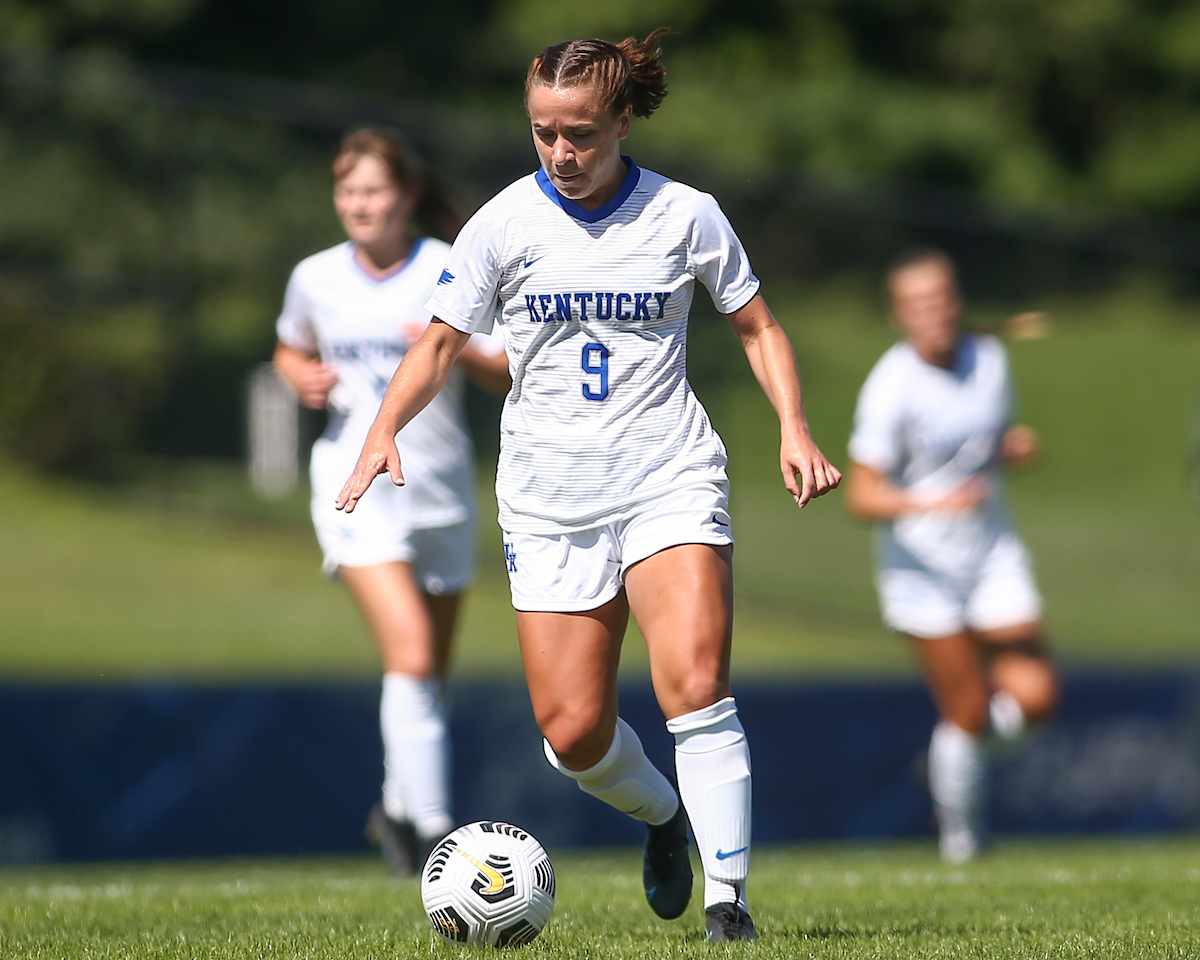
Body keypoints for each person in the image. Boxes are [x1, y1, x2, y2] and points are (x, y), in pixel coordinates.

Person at [335, 31, 840, 942]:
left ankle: (729, 905)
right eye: (543, 134)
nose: (562, 154)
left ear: (623, 120)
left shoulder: (686, 215)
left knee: (694, 678)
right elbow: (441, 344)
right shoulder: (501, 224)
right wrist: (381, 429)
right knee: (571, 734)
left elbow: (758, 327)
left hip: (669, 475)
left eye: (580, 134)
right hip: (548, 498)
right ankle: (665, 818)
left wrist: (792, 427)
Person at [273, 127, 510, 877]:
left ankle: (398, 807)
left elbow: (502, 369)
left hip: (438, 489)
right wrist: (295, 375)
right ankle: (441, 837)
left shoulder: (447, 267)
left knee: (427, 672)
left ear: (406, 196)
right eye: (347, 193)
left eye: (373, 191)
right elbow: (290, 343)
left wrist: (454, 348)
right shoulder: (315, 276)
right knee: (407, 651)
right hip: (354, 485)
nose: (359, 205)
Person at [844, 248, 1059, 863]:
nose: (932, 312)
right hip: (922, 571)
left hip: (992, 554)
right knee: (966, 708)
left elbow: (986, 446)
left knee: (1037, 697)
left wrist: (1011, 449)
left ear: (956, 300)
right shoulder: (891, 387)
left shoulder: (989, 360)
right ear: (899, 314)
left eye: (940, 298)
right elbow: (862, 496)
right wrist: (934, 502)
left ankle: (948, 762)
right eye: (917, 304)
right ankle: (963, 839)